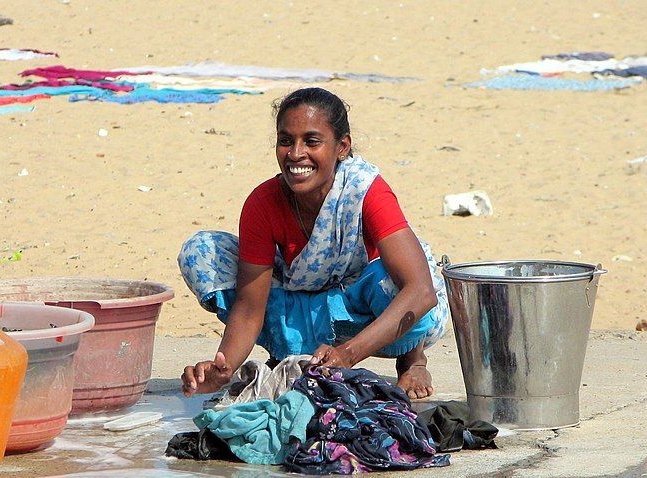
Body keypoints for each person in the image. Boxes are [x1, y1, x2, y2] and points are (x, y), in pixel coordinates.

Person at [178, 87, 449, 400]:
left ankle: (412, 357)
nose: (295, 154)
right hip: (308, 303)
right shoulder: (263, 203)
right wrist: (222, 369)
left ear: (342, 147)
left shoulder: (365, 191)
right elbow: (250, 308)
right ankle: (292, 354)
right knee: (201, 252)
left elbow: (421, 291)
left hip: (363, 307)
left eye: (311, 141)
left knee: (394, 281)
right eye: (285, 140)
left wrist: (347, 354)